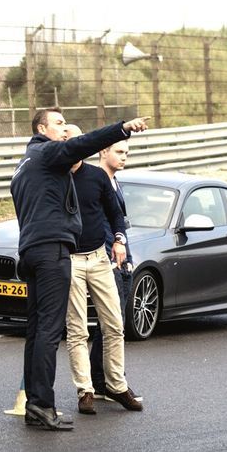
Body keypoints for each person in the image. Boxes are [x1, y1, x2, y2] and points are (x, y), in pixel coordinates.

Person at [9, 108, 149, 431]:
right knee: (49, 330)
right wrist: (122, 129)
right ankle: (43, 405)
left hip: (31, 251)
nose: (64, 130)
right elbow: (81, 145)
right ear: (42, 128)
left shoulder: (24, 165)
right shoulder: (48, 152)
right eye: (59, 124)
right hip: (52, 251)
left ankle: (33, 404)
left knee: (36, 330)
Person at [62, 129, 141, 415]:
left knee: (114, 324)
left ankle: (117, 386)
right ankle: (86, 391)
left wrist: (119, 240)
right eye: (68, 139)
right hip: (69, 259)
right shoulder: (54, 176)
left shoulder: (97, 177)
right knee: (77, 329)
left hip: (99, 258)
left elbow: (115, 213)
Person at [83, 139, 143, 409]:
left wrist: (128, 258)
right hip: (106, 260)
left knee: (110, 326)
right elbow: (100, 224)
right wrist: (111, 256)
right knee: (111, 324)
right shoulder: (96, 182)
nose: (124, 157)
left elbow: (120, 223)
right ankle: (109, 383)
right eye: (119, 152)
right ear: (102, 151)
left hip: (122, 258)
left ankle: (102, 382)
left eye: (127, 153)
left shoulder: (114, 181)